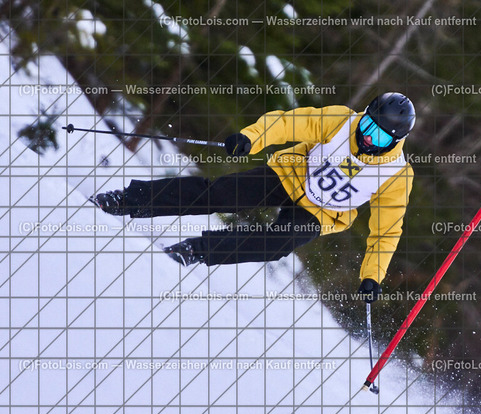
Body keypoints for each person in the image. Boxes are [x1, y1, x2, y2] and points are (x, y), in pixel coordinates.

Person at [91, 92, 416, 303]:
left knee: (277, 243)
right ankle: (127, 200)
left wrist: (373, 275)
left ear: (395, 140)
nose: (367, 137)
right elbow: (288, 124)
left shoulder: (396, 175)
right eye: (367, 125)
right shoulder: (343, 121)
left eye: (378, 136)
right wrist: (251, 138)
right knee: (219, 194)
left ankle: (195, 250)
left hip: (322, 212)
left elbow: (386, 231)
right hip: (292, 174)